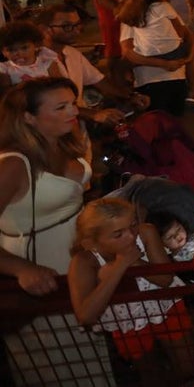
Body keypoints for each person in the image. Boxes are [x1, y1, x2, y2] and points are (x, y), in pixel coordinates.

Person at [1, 77, 113, 386]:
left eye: (73, 103)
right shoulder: (12, 164)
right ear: (28, 117)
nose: (73, 111)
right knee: (56, 363)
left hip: (77, 266)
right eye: (61, 107)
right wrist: (21, 269)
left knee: (89, 356)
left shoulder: (64, 142)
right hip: (42, 278)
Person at [68, 197, 194, 386]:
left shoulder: (146, 232)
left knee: (189, 365)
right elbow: (85, 315)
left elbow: (165, 278)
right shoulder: (85, 261)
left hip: (166, 308)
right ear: (91, 242)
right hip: (128, 320)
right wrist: (120, 265)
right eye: (118, 234)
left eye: (133, 225)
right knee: (150, 374)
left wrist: (134, 261)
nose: (130, 236)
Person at [117, 0, 193, 116]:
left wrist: (161, 62)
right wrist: (169, 61)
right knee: (172, 124)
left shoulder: (130, 15)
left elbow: (127, 52)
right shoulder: (164, 8)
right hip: (173, 75)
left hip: (151, 79)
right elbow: (184, 35)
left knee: (158, 126)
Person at [0, 21, 67, 87]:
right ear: (3, 52)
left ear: (36, 45)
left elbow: (60, 86)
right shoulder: (4, 69)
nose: (18, 53)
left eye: (24, 48)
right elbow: (6, 93)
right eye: (11, 50)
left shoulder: (47, 63)